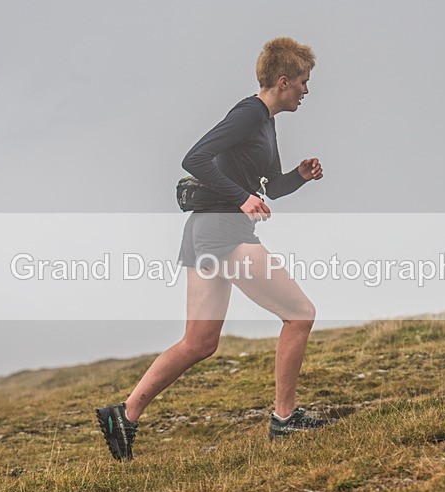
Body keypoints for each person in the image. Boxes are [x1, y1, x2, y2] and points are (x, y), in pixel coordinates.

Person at [96, 37, 333, 461]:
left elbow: (272, 187)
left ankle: (124, 414)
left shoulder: (265, 123)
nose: (306, 89)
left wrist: (298, 175)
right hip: (224, 232)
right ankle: (285, 418)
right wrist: (242, 199)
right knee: (300, 314)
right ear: (283, 81)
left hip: (205, 231)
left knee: (200, 342)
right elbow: (195, 158)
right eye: (303, 80)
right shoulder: (249, 114)